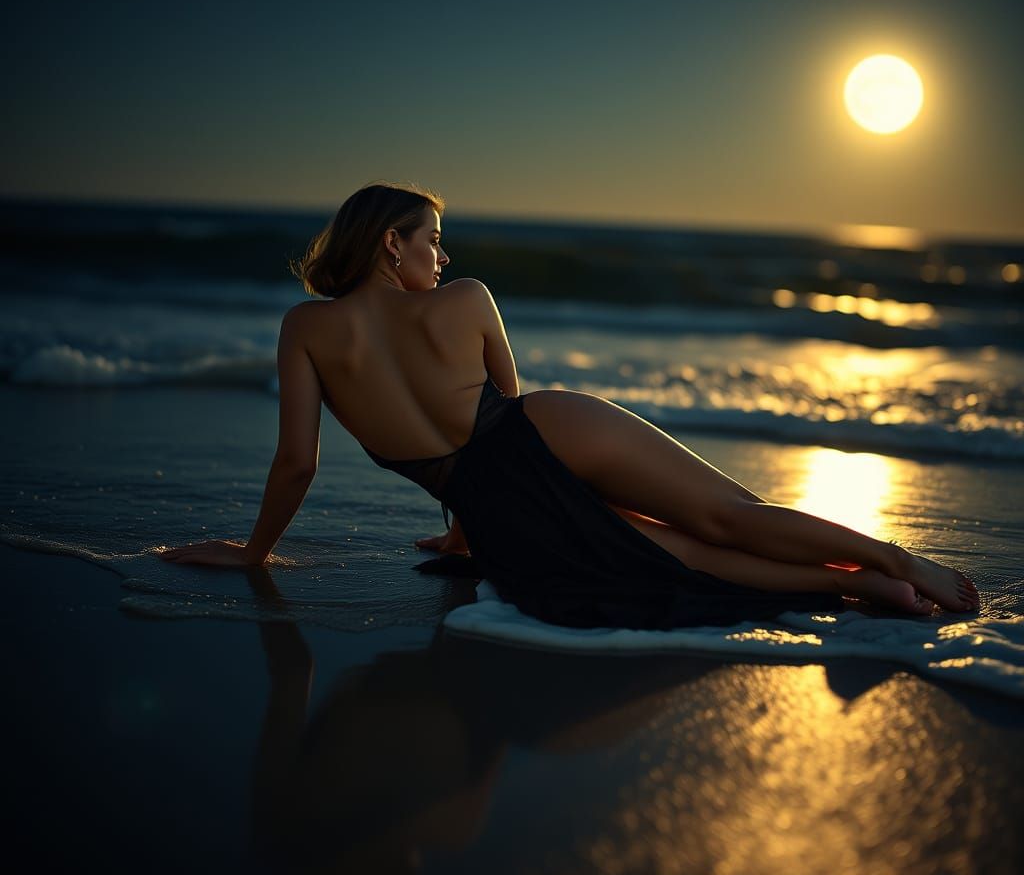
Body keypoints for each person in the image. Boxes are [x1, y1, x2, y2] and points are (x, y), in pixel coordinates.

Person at [161, 182, 980, 625]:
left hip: (493, 505)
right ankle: (899, 565)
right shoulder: (470, 299)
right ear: (390, 243)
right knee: (725, 516)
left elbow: (298, 461)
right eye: (432, 239)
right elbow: (506, 411)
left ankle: (871, 586)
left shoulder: (304, 329)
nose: (443, 258)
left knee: (685, 561)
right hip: (545, 436)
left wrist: (253, 553)